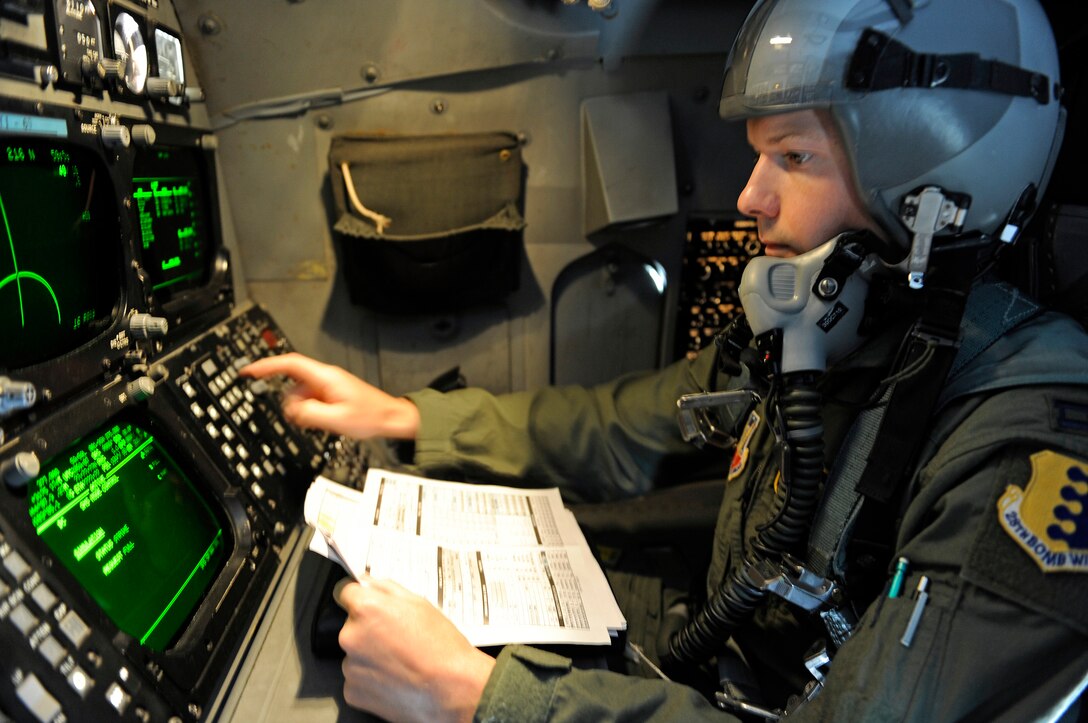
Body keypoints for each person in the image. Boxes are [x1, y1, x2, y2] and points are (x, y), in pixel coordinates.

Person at [243, 0, 1088, 719]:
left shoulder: (1022, 450)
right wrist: (404, 415)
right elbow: (623, 423)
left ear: (934, 190)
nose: (750, 196)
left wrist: (481, 697)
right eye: (759, 155)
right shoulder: (821, 335)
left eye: (794, 157)